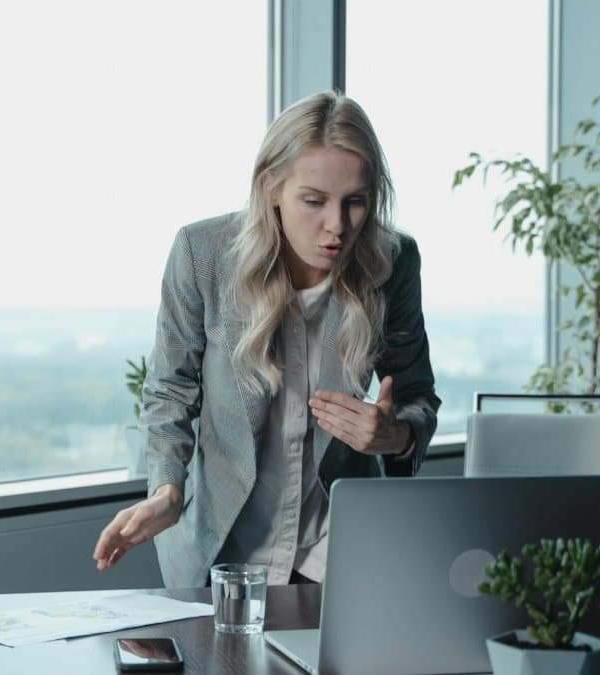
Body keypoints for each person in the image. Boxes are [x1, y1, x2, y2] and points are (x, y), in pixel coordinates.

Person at [92, 90, 440, 588]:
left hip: (336, 552)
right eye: (313, 201)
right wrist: (167, 489)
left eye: (356, 202)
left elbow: (415, 395)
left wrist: (395, 436)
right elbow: (170, 391)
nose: (337, 226)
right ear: (271, 187)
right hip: (222, 553)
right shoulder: (202, 253)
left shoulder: (393, 261)